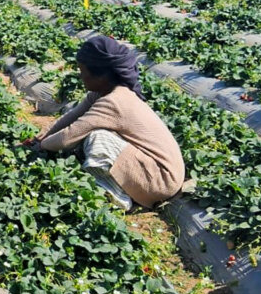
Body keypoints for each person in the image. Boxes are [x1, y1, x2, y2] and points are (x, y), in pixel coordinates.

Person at [25, 36, 184, 211]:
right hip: (157, 172)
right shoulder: (104, 92)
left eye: (82, 71)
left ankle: (117, 194)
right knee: (88, 137)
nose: (80, 76)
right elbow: (72, 117)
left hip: (161, 180)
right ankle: (122, 185)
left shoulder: (114, 101)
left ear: (101, 75)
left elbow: (67, 137)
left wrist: (41, 146)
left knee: (96, 137)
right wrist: (44, 134)